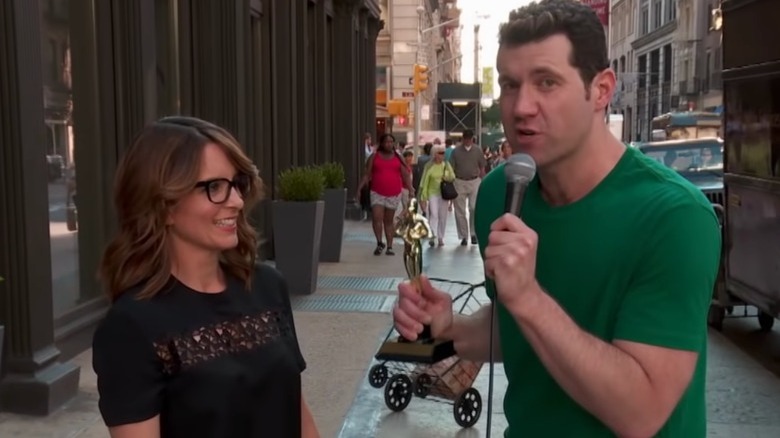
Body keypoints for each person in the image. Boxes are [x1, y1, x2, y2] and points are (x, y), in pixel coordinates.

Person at [391, 1, 721, 437]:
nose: (522, 106)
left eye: (546, 82)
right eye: (510, 85)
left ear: (601, 90)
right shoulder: (503, 193)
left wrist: (529, 297)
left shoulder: (674, 217)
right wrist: (450, 329)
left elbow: (640, 413)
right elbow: (520, 332)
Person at [92, 116, 320, 438]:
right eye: (214, 187)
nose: (237, 202)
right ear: (165, 206)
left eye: (236, 184)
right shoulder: (130, 327)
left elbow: (298, 412)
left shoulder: (267, 286)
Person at [356, 133, 414, 256]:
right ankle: (379, 243)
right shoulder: (374, 157)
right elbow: (367, 174)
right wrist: (359, 188)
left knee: (388, 221)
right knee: (377, 218)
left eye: (391, 142)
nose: (389, 144)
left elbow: (405, 175)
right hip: (377, 192)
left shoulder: (398, 157)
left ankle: (389, 246)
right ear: (382, 143)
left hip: (393, 193)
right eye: (386, 142)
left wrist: (411, 189)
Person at [449, 129, 486, 246]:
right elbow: (451, 167)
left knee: (473, 207)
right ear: (463, 138)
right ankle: (464, 236)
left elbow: (482, 167)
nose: (468, 141)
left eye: (470, 139)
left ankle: (473, 233)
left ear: (472, 139)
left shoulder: (478, 150)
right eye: (466, 138)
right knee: (460, 210)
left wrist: (483, 180)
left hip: (474, 180)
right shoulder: (456, 152)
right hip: (459, 181)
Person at [418, 144, 455, 247]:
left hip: (444, 193)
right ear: (434, 154)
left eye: (443, 153)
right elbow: (424, 181)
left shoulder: (446, 164)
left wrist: (446, 177)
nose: (443, 155)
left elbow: (453, 176)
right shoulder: (429, 166)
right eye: (440, 153)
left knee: (443, 216)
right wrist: (423, 197)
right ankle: (432, 236)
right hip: (432, 193)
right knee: (434, 214)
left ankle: (440, 237)